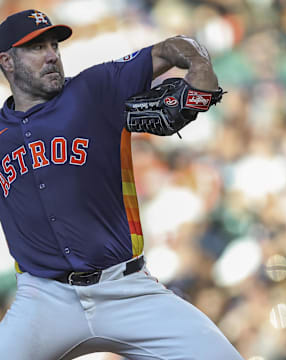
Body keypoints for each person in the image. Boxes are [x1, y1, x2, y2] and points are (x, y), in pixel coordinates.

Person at [0, 9, 243, 360]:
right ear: (6, 60)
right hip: (42, 299)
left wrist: (200, 65)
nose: (52, 54)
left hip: (125, 288)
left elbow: (172, 48)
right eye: (36, 48)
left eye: (54, 45)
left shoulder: (95, 89)